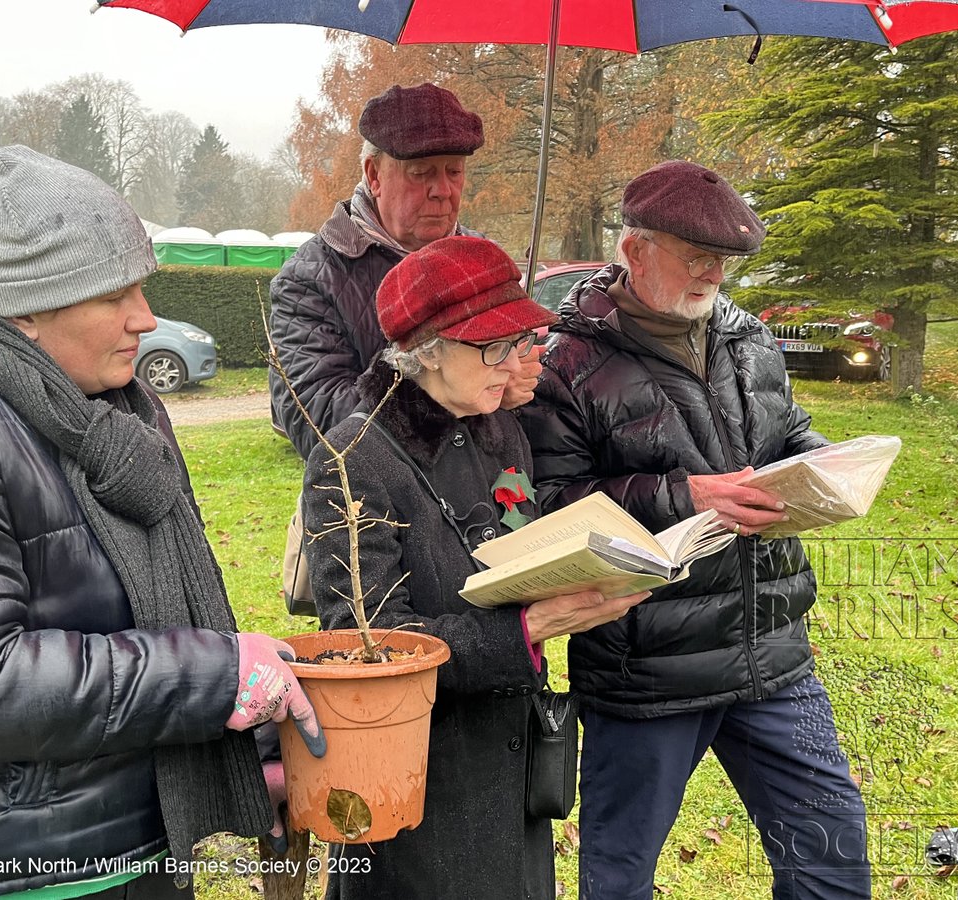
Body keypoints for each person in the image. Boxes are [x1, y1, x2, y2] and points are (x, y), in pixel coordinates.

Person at [0, 146, 324, 900]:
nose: (146, 318)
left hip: (123, 851)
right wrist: (214, 678)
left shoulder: (104, 411)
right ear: (26, 307)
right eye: (115, 294)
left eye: (141, 286)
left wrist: (247, 739)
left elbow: (148, 612)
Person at [519, 160, 872, 900]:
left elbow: (788, 430)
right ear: (634, 249)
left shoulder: (749, 338)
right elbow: (548, 506)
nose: (713, 272)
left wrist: (820, 467)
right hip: (645, 668)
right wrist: (684, 495)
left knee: (831, 857)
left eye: (724, 259)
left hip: (771, 652)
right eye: (695, 255)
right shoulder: (567, 363)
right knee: (620, 877)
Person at [302, 235, 651, 900]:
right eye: (494, 345)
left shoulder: (500, 429)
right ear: (427, 349)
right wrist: (527, 630)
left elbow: (515, 544)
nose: (517, 362)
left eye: (520, 340)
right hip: (419, 792)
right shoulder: (353, 458)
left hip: (513, 774)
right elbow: (366, 649)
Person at [269, 82, 543, 460]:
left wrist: (517, 380)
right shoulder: (310, 280)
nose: (443, 190)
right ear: (374, 175)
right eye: (421, 173)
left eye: (454, 171)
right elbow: (319, 424)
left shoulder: (486, 262)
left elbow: (529, 409)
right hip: (384, 495)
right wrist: (468, 390)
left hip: (490, 487)